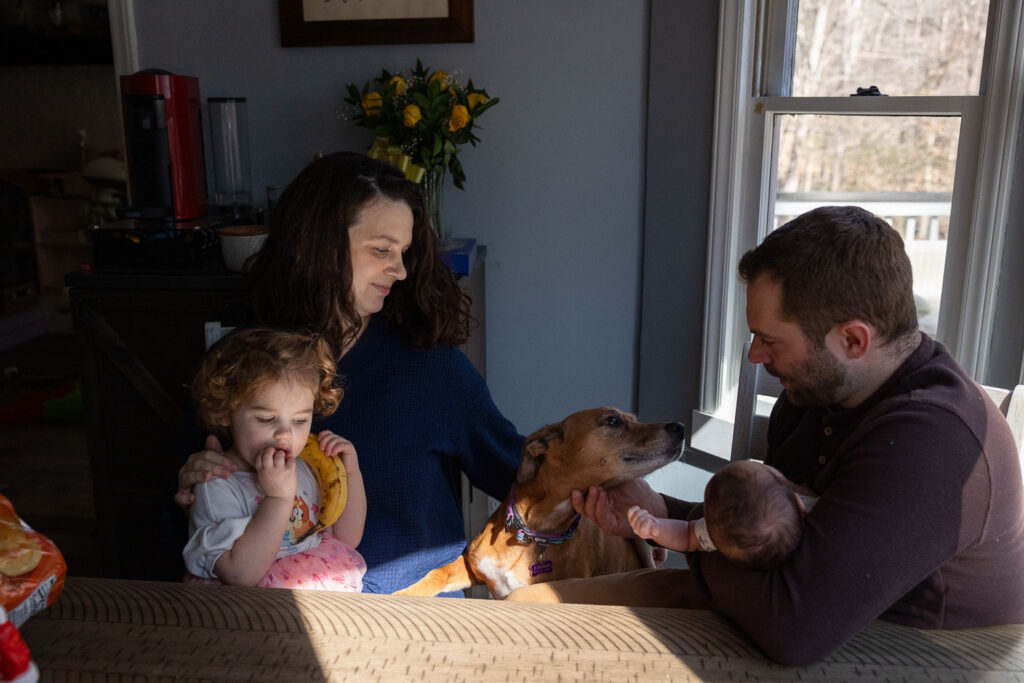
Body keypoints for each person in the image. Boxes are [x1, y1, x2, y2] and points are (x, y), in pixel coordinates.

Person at [507, 206, 1024, 666]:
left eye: (769, 339)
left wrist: (687, 538)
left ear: (853, 339)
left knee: (557, 639)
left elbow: (794, 628)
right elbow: (767, 542)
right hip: (792, 606)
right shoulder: (811, 396)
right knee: (522, 609)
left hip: (916, 647)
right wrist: (661, 513)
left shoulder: (934, 443)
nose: (754, 355)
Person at [176, 152, 522, 595]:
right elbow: (191, 520)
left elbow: (522, 474)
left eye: (404, 253)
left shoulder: (436, 371)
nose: (399, 271)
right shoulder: (236, 365)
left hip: (417, 619)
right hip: (273, 622)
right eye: (381, 250)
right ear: (319, 245)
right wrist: (190, 484)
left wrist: (616, 489)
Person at [183, 326, 367, 590]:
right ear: (225, 412)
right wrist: (278, 498)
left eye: (300, 420)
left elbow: (346, 538)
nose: (285, 433)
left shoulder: (305, 469)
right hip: (251, 612)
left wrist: (351, 473)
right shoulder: (217, 484)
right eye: (266, 419)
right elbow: (239, 575)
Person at [628, 460, 816, 569]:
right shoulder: (816, 506)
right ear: (800, 502)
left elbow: (685, 535)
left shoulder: (723, 536)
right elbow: (687, 534)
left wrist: (658, 529)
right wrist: (656, 527)